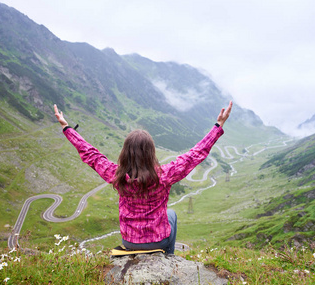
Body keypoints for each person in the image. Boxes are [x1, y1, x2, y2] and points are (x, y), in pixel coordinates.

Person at [53, 101, 232, 254]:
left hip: (129, 242)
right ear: (151, 153)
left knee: (170, 215)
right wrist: (218, 126)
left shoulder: (117, 175)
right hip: (158, 241)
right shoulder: (165, 175)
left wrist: (67, 128)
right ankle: (167, 258)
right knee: (172, 215)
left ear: (125, 153)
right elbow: (195, 154)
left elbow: (90, 154)